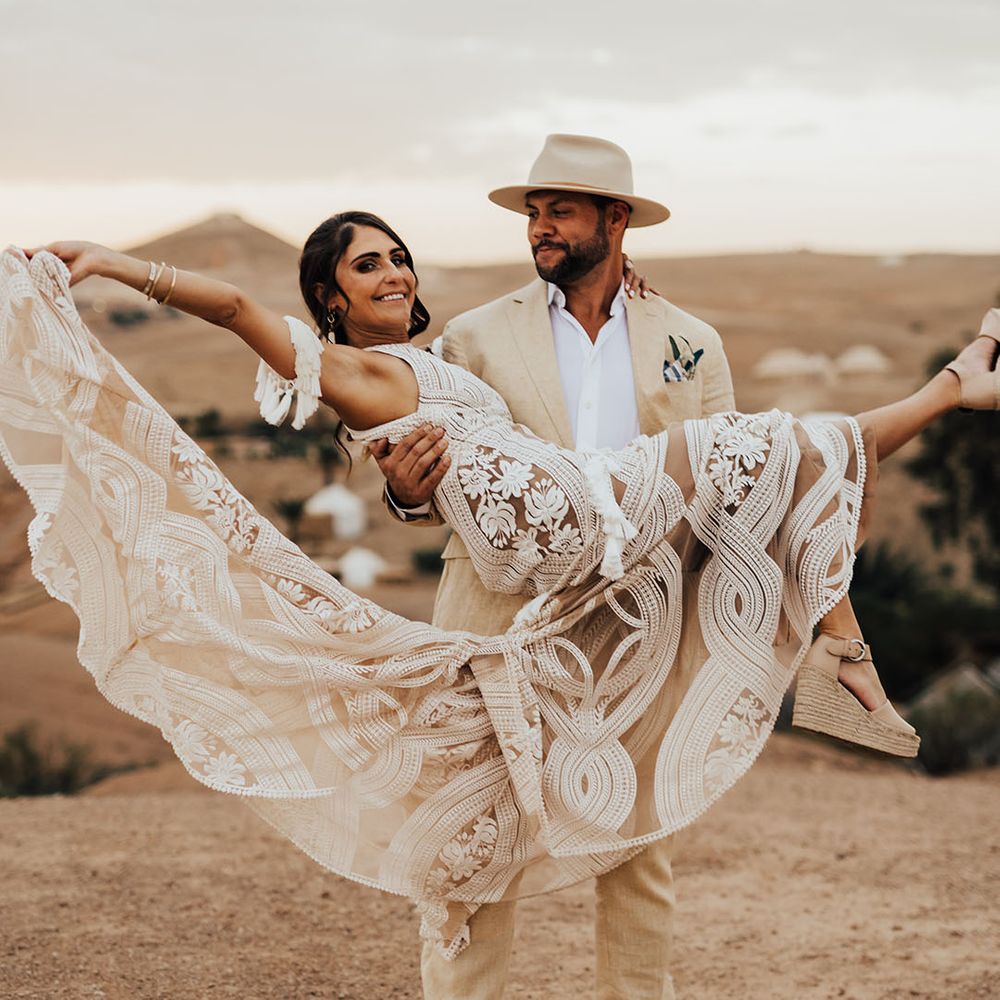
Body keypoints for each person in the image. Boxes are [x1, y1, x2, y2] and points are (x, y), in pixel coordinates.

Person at [2, 217, 997, 975]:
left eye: (397, 256)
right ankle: (956, 389)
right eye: (364, 266)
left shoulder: (451, 354)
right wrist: (122, 265)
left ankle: (838, 643)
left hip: (582, 530)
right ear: (328, 299)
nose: (394, 272)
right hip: (555, 523)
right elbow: (232, 312)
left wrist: (621, 301)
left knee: (771, 470)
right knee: (783, 446)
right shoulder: (349, 369)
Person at [371, 133, 736, 999]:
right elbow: (429, 468)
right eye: (533, 213)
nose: (539, 227)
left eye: (558, 211)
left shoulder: (691, 341)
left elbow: (724, 483)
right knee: (474, 844)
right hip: (493, 626)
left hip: (638, 628)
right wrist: (406, 494)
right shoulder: (473, 337)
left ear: (615, 220)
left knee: (639, 854)